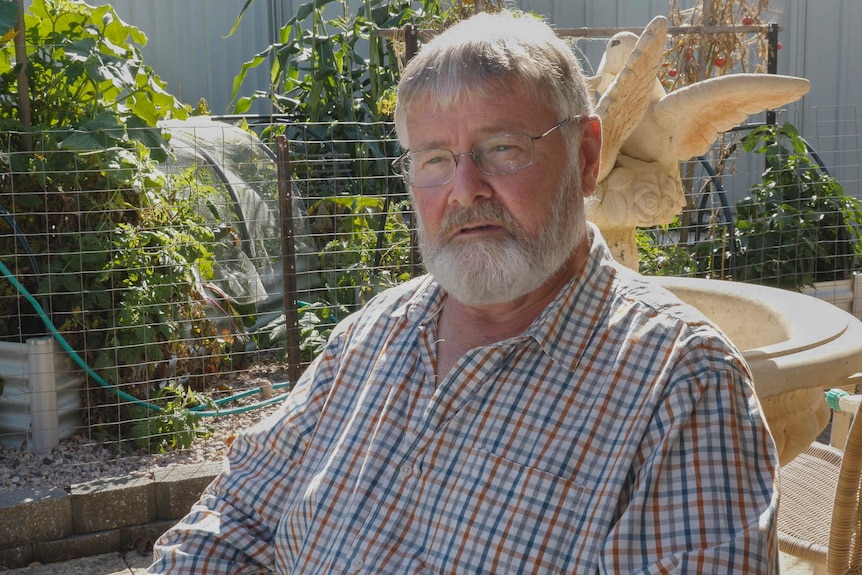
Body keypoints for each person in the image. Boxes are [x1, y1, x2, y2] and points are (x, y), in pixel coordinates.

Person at [149, 9, 778, 574]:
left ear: (587, 157)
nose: (464, 187)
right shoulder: (372, 334)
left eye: (502, 149)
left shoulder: (685, 385)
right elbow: (232, 520)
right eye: (433, 159)